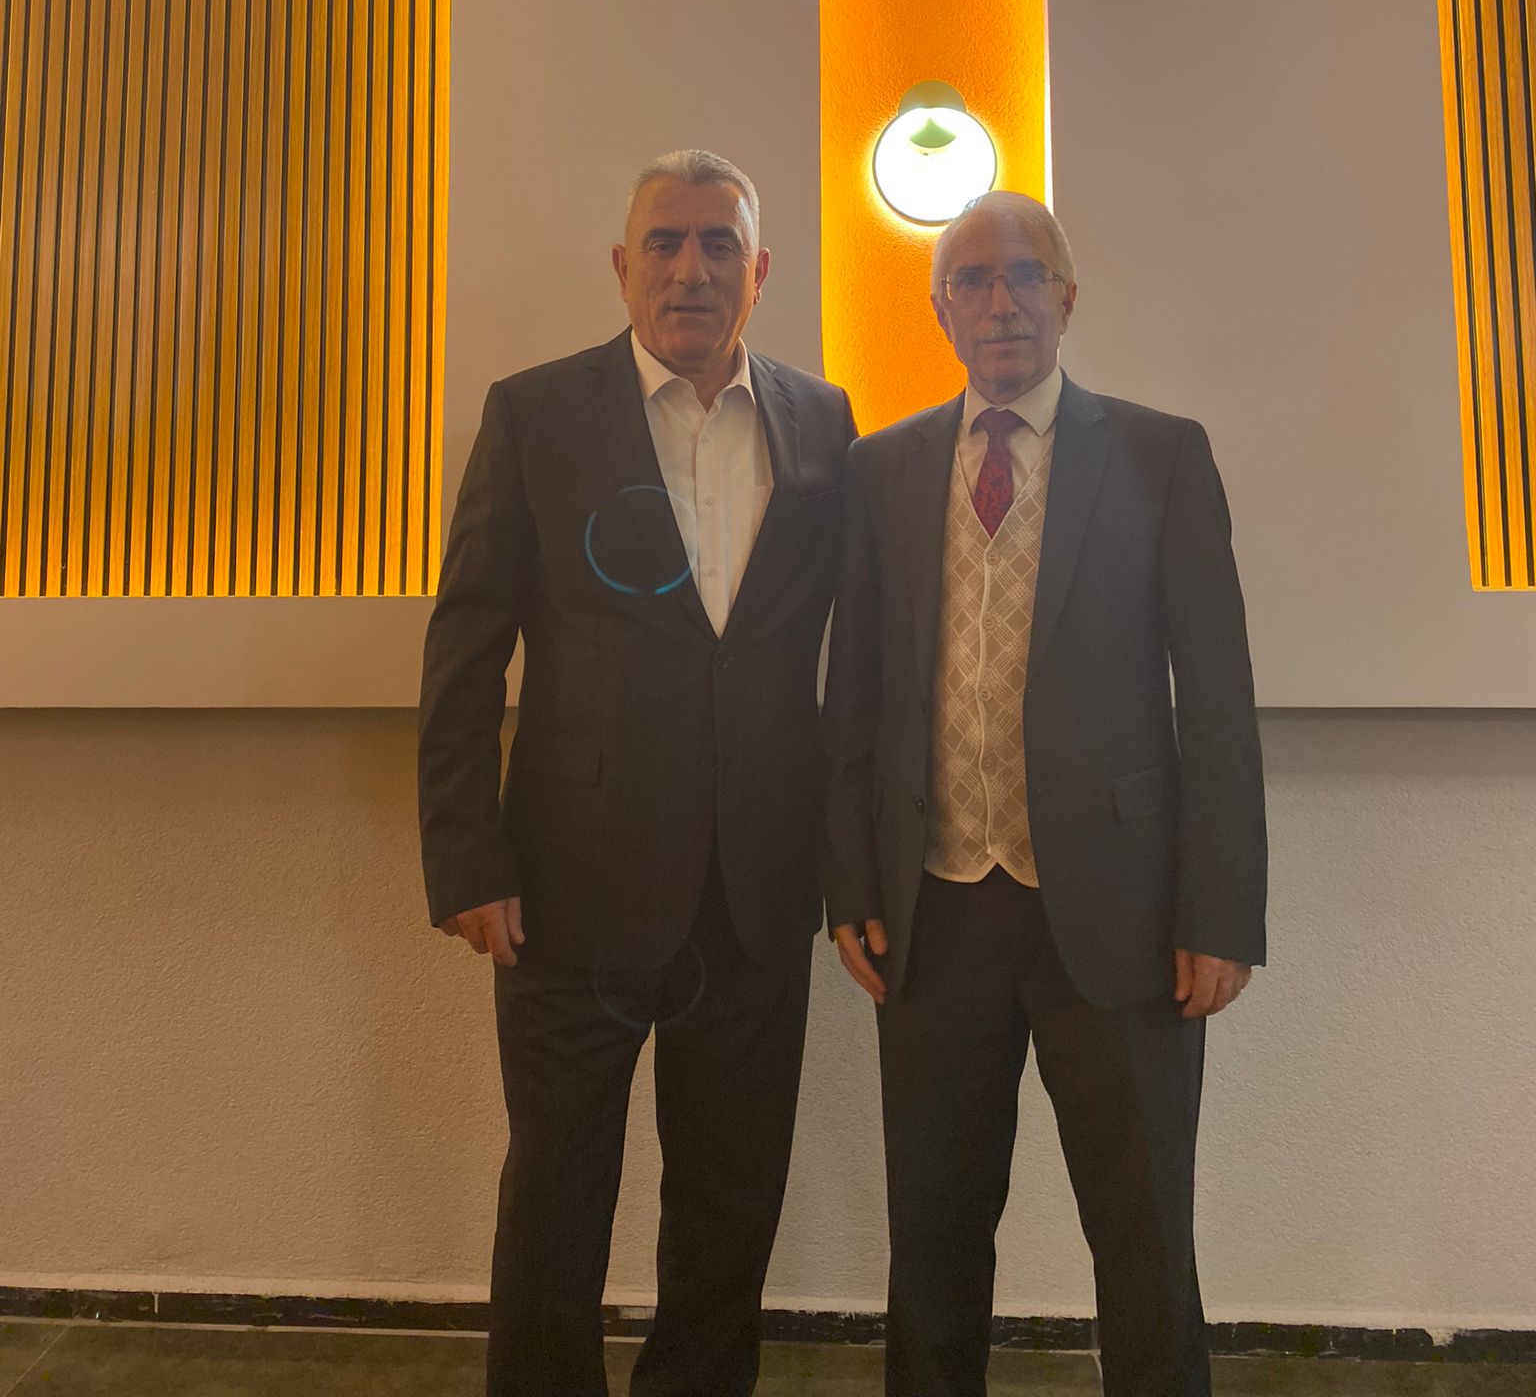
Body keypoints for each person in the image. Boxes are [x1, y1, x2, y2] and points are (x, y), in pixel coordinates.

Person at [418, 148, 856, 1397]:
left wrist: (853, 867)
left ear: (760, 270)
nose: (690, 267)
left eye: (719, 243)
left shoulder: (824, 422)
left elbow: (857, 659)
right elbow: (466, 649)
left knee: (730, 1202)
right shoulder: (535, 412)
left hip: (756, 889)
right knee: (557, 1194)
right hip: (566, 888)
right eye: (665, 241)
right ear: (623, 266)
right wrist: (467, 855)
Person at [823, 189, 1266, 1397]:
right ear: (940, 310)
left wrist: (1221, 912)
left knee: (1142, 1235)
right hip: (934, 913)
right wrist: (849, 882)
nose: (1001, 299)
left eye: (1025, 274)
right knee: (933, 1239)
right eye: (972, 279)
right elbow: (855, 695)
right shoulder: (882, 468)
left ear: (1067, 297)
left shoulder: (1160, 453)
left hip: (1121, 919)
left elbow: (1216, 698)